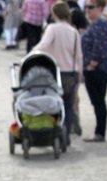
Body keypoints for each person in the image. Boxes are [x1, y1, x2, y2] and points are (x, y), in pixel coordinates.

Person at [33, 1, 83, 145]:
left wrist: (30, 55)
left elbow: (43, 45)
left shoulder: (52, 28)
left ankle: (54, 134)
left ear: (54, 14)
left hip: (56, 73)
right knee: (68, 106)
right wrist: (79, 74)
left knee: (53, 105)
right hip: (71, 74)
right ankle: (65, 134)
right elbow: (79, 56)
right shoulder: (74, 31)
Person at [82, 0, 107, 142]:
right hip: (94, 69)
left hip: (97, 69)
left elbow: (100, 47)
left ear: (100, 8)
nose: (87, 10)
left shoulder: (100, 24)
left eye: (91, 7)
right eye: (86, 7)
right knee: (97, 102)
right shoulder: (94, 24)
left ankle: (100, 133)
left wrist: (92, 65)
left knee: (99, 102)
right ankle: (99, 132)